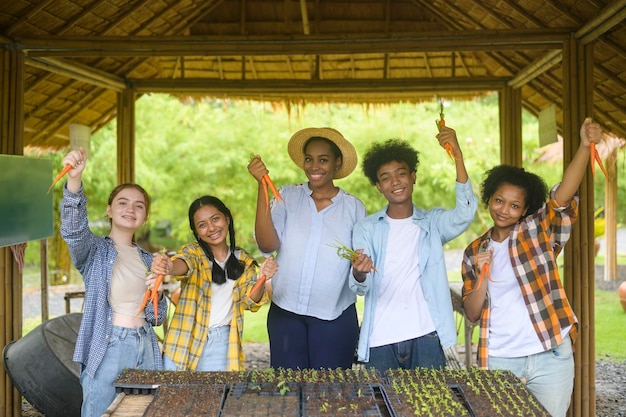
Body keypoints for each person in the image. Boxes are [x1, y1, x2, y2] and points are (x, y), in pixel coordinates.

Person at [460, 118, 602, 417]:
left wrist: (583, 146)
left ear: (525, 210)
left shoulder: (535, 232)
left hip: (549, 353)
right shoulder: (475, 251)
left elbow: (562, 196)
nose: (504, 209)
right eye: (499, 200)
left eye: (514, 205)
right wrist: (484, 274)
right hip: (499, 357)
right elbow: (472, 313)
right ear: (489, 200)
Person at [349, 126, 478, 372]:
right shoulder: (366, 228)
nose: (395, 182)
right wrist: (359, 272)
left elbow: (465, 212)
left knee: (429, 408)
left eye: (401, 174)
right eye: (385, 178)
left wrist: (457, 156)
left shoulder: (433, 224)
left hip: (427, 335)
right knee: (383, 409)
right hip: (380, 338)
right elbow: (359, 286)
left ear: (414, 176)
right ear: (378, 186)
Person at [59, 147, 166, 417]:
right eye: (122, 202)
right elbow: (73, 230)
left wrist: (159, 292)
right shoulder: (94, 251)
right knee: (101, 412)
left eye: (139, 205)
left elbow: (157, 317)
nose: (131, 209)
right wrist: (74, 180)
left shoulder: (147, 258)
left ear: (145, 216)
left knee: (143, 412)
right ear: (109, 210)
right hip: (110, 344)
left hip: (146, 344)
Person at [247, 127, 366, 369]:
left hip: (336, 316)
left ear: (337, 163)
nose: (314, 166)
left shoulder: (354, 208)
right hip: (286, 313)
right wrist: (262, 186)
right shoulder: (287, 197)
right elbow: (266, 244)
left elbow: (359, 269)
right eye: (309, 159)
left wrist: (361, 270)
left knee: (330, 393)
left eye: (323, 160)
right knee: (288, 391)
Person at [151, 195, 277, 371]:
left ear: (227, 218)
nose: (211, 228)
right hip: (183, 339)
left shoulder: (244, 261)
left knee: (216, 396)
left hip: (222, 342)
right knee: (174, 396)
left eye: (215, 219)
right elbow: (182, 263)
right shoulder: (194, 252)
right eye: (202, 225)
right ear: (197, 232)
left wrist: (262, 278)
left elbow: (249, 300)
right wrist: (168, 266)